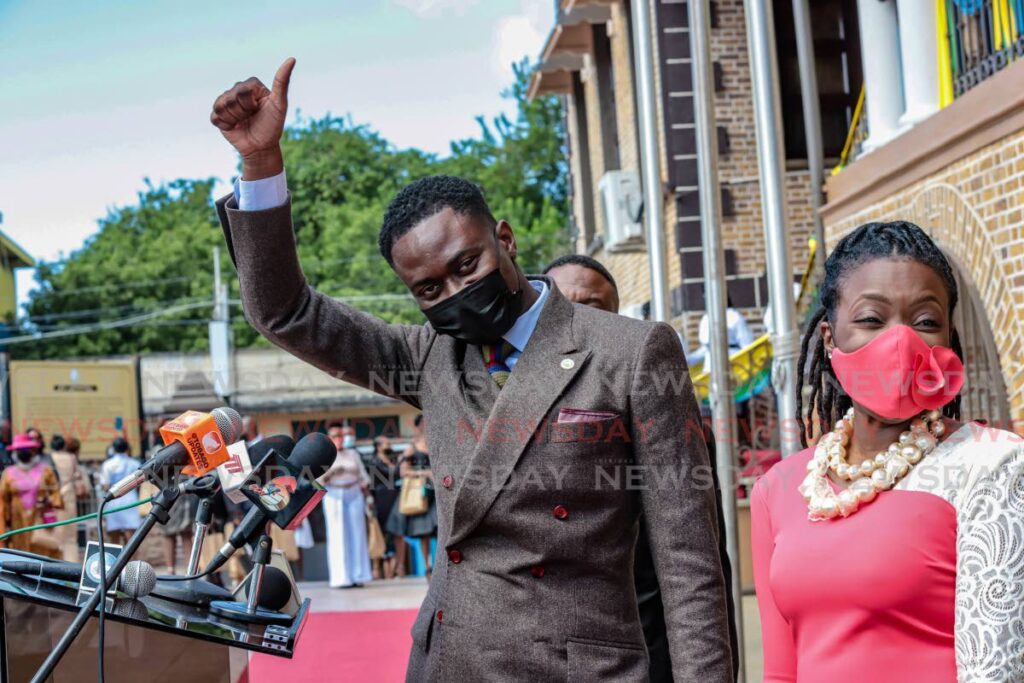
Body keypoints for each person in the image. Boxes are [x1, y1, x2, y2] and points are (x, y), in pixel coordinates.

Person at [211, 59, 732, 682]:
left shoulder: (633, 351)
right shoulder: (426, 358)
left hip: (575, 671)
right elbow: (284, 310)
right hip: (450, 663)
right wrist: (261, 165)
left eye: (467, 264)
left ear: (506, 239)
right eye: (429, 289)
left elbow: (688, 563)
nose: (456, 291)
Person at [752, 221, 1024, 681]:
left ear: (948, 341)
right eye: (871, 319)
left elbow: (995, 670)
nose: (901, 342)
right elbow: (781, 672)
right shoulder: (778, 489)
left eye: (925, 322)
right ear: (829, 339)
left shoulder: (991, 463)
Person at [546, 253, 740, 682]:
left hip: (645, 652)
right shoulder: (514, 420)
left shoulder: (665, 414)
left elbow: (703, 562)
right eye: (564, 306)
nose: (579, 322)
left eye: (594, 308)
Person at [321, 424, 372, 588]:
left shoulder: (353, 453)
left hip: (354, 491)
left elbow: (363, 476)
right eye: (335, 436)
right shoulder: (324, 455)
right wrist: (333, 472)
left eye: (341, 435)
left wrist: (368, 497)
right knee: (338, 534)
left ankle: (359, 575)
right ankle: (341, 578)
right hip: (334, 493)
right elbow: (317, 481)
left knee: (358, 534)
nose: (339, 439)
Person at [387, 415, 438, 579]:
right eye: (423, 422)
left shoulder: (437, 444)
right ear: (417, 426)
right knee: (423, 532)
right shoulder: (411, 448)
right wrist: (425, 473)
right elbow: (403, 471)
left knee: (441, 531)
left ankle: (441, 566)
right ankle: (427, 567)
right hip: (419, 494)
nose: (427, 424)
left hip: (436, 493)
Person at [0, 433, 63, 557]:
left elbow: (56, 494)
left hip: (40, 520)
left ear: (34, 451)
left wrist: (48, 501)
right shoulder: (9, 473)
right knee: (20, 555)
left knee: (42, 554)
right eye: (20, 450)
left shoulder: (46, 470)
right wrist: (4, 526)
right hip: (17, 522)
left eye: (26, 449)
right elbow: (3, 500)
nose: (23, 453)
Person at [49, 436, 88, 561]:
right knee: (71, 535)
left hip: (55, 497)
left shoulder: (50, 458)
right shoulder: (71, 457)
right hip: (69, 496)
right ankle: (72, 562)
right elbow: (77, 475)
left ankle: (56, 561)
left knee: (56, 532)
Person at [685, 297, 755, 369]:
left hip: (733, 365)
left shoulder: (734, 316)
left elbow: (747, 346)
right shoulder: (706, 318)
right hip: (710, 368)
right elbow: (707, 348)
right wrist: (689, 360)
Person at [370, 435, 403, 579]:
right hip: (381, 499)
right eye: (386, 443)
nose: (389, 445)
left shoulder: (392, 459)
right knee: (381, 533)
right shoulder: (374, 462)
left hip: (394, 497)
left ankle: (398, 567)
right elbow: (392, 473)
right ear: (378, 446)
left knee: (397, 532)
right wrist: (401, 461)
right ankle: (376, 568)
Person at [98, 437, 142, 545]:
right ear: (127, 448)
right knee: (131, 538)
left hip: (113, 499)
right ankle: (133, 561)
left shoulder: (107, 464)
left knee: (114, 536)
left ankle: (115, 560)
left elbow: (105, 485)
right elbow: (140, 482)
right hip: (131, 499)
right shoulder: (135, 463)